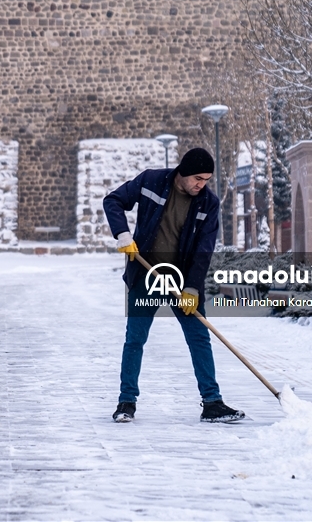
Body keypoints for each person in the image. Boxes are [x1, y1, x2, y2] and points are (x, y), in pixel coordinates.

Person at [102, 148, 245, 423]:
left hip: (182, 280)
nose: (201, 184)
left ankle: (212, 402)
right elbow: (113, 201)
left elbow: (204, 249)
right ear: (184, 171)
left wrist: (192, 288)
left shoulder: (208, 203)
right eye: (198, 178)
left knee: (199, 338)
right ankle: (126, 403)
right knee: (135, 339)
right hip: (147, 275)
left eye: (206, 179)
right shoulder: (150, 181)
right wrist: (122, 234)